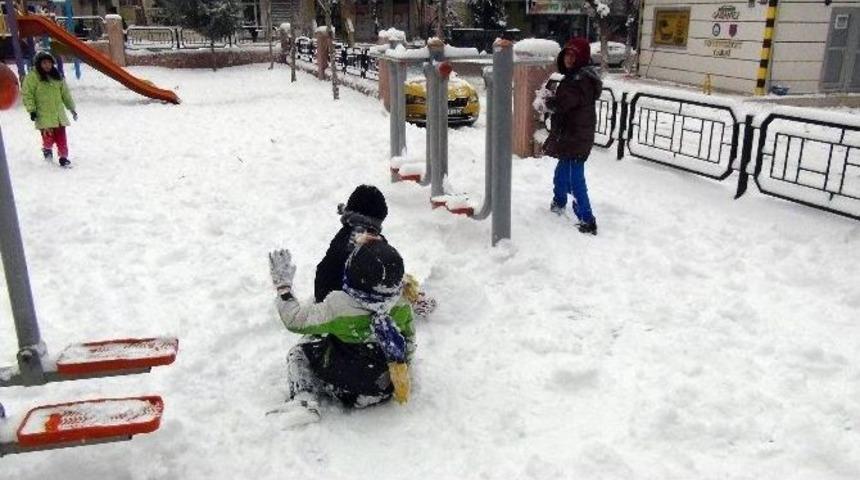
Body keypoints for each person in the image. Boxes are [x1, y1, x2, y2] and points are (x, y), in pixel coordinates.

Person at [267, 237, 415, 426]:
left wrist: (283, 287)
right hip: (383, 387)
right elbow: (408, 344)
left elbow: (294, 320)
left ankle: (303, 399)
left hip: (343, 388)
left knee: (300, 351)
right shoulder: (402, 304)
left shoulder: (339, 307)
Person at [539, 37, 601, 235]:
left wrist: (548, 102)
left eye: (574, 55)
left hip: (577, 138)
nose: (569, 58)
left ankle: (587, 219)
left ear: (581, 58)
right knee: (561, 175)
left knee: (575, 180)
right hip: (572, 136)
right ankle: (558, 202)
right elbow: (565, 102)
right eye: (567, 54)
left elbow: (565, 103)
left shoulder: (580, 80)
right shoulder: (575, 76)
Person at [22, 51, 77, 167]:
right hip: (44, 116)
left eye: (49, 63)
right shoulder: (33, 77)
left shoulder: (57, 76)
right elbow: (28, 95)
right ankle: (47, 149)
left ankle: (63, 157)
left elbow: (65, 94)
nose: (47, 65)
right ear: (38, 64)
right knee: (49, 139)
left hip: (58, 116)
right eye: (44, 63)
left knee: (62, 139)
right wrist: (32, 110)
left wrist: (71, 108)